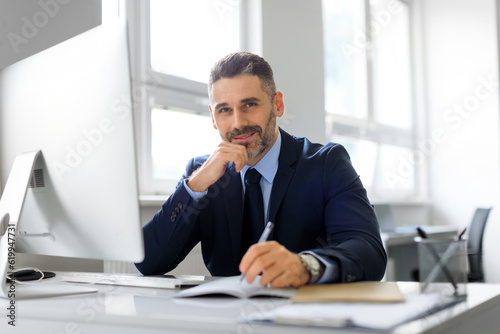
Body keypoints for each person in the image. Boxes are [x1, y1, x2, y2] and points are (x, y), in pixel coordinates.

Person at [135, 52, 387, 287]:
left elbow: (369, 252)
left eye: (249, 105)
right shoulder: (201, 174)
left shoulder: (326, 164)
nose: (238, 123)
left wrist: (306, 265)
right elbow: (148, 261)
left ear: (277, 105)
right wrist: (195, 186)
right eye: (225, 110)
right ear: (213, 117)